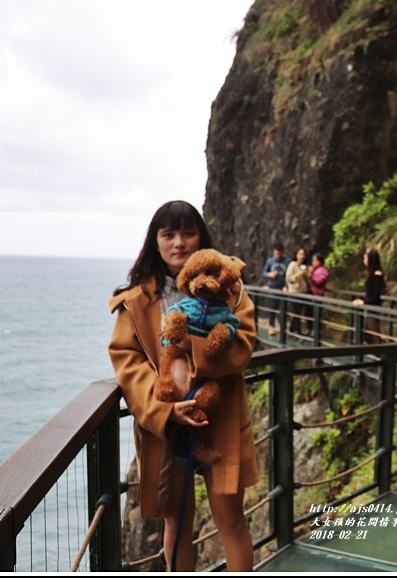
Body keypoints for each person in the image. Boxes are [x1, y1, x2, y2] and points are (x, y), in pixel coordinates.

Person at [108, 200, 258, 572]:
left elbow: (242, 348)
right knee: (177, 523)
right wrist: (165, 408)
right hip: (168, 425)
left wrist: (190, 348)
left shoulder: (230, 290)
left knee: (231, 521)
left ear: (201, 238)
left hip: (218, 419)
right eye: (169, 234)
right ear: (155, 241)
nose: (179, 242)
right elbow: (128, 362)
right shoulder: (137, 299)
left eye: (188, 233)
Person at [352, 248, 386, 344]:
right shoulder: (371, 273)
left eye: (366, 259)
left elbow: (376, 294)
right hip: (369, 306)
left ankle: (381, 354)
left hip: (373, 307)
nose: (364, 261)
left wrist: (364, 302)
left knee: (374, 332)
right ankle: (374, 353)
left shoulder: (377, 275)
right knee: (367, 332)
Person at [262, 243, 288, 336]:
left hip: (282, 288)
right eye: (276, 254)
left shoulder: (287, 261)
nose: (278, 255)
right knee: (272, 308)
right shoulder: (270, 261)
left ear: (282, 252)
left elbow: (288, 276)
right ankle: (271, 326)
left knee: (283, 308)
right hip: (272, 288)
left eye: (279, 254)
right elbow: (264, 272)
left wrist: (286, 286)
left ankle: (282, 328)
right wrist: (269, 274)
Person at [285, 247, 311, 335]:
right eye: (300, 254)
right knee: (297, 312)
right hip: (294, 292)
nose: (302, 256)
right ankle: (298, 332)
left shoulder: (304, 266)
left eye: (304, 254)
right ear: (296, 255)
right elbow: (289, 278)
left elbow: (307, 279)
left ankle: (291, 330)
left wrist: (309, 273)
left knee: (298, 312)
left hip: (303, 292)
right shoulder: (292, 264)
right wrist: (299, 273)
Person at [306, 253, 329, 335]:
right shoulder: (312, 269)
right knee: (308, 312)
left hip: (317, 295)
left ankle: (316, 331)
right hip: (309, 293)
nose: (313, 262)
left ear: (320, 261)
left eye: (315, 261)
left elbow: (319, 282)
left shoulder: (323, 271)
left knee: (316, 313)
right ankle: (309, 329)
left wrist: (311, 276)